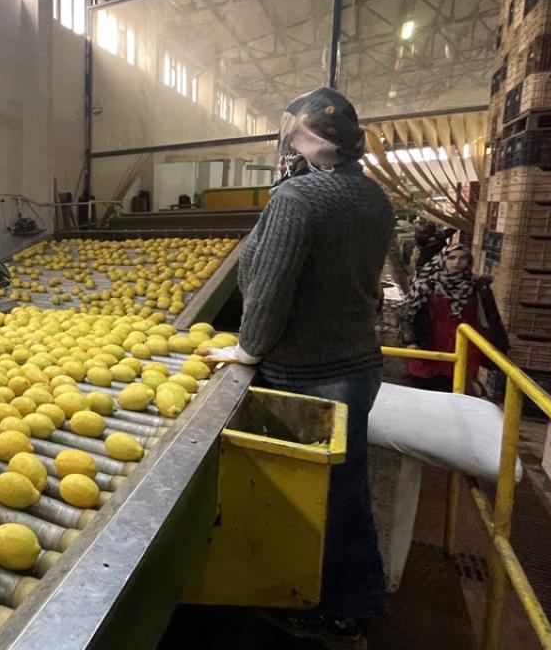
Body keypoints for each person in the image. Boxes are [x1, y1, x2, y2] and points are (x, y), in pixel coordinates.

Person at [200, 88, 393, 649]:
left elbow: (270, 289)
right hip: (357, 365)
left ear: (306, 139)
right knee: (347, 487)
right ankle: (354, 601)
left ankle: (338, 612)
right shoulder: (373, 197)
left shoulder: (299, 198)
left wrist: (247, 350)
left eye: (294, 134)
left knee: (320, 494)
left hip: (309, 371)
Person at [400, 243, 507, 392]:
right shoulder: (425, 284)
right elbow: (407, 312)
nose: (457, 262)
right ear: (443, 259)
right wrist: (410, 341)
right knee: (423, 390)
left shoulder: (477, 286)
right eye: (452, 258)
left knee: (455, 391)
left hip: (462, 350)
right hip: (428, 347)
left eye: (462, 258)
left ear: (469, 261)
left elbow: (491, 317)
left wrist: (499, 347)